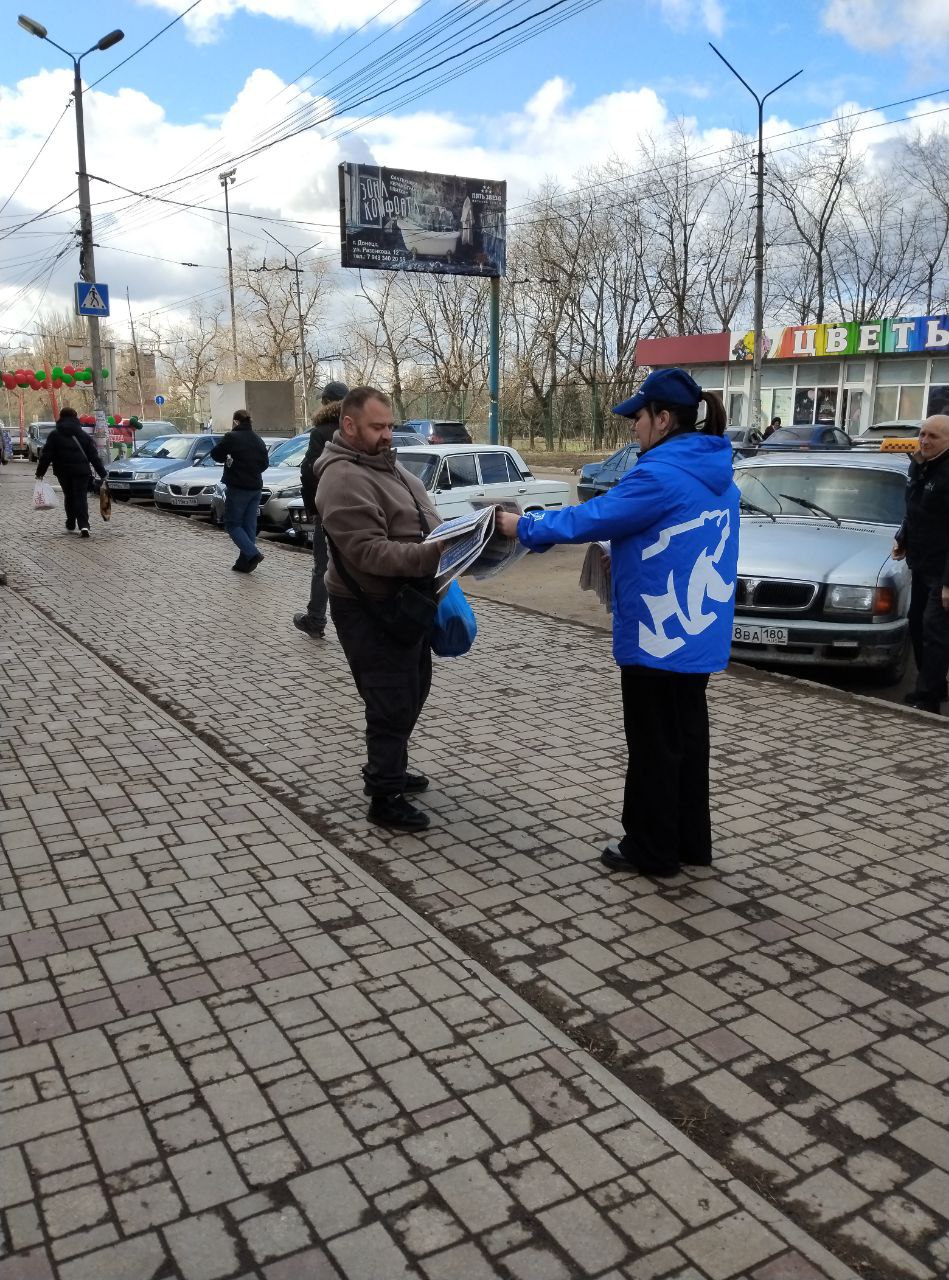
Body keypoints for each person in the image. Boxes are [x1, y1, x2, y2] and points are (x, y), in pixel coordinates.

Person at [494, 368, 739, 879]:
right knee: (687, 741)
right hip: (697, 632)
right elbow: (676, 534)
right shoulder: (715, 471)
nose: (634, 428)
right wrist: (622, 554)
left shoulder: (658, 473)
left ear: (664, 419)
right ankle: (690, 841)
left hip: (657, 633)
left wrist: (523, 526)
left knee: (653, 744)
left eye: (639, 418)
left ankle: (651, 850)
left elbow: (593, 516)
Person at [315, 386, 442, 833]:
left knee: (413, 688)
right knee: (389, 698)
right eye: (378, 427)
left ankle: (392, 765)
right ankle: (384, 795)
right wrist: (435, 554)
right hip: (370, 606)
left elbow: (423, 520)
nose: (388, 435)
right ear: (349, 426)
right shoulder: (342, 477)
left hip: (407, 601)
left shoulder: (387, 467)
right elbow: (369, 553)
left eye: (390, 425)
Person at [893, 415, 949, 713]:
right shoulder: (919, 464)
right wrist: (902, 538)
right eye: (922, 434)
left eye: (933, 437)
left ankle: (928, 700)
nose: (925, 441)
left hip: (943, 570)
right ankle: (934, 685)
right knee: (916, 624)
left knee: (933, 629)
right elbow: (913, 510)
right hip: (921, 562)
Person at [293, 380, 348, 637]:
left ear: (326, 403)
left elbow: (309, 472)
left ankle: (316, 619)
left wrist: (314, 507)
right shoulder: (356, 428)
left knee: (322, 566)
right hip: (358, 506)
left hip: (328, 510)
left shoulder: (321, 432)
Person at [210, 409, 269, 573]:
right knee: (249, 526)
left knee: (233, 524)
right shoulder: (258, 439)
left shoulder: (232, 437)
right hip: (256, 488)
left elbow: (216, 454)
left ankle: (253, 553)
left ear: (236, 421)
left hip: (238, 488)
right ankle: (244, 563)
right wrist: (252, 470)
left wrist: (230, 460)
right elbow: (265, 464)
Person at [35, 407, 106, 537]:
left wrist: (40, 473)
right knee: (80, 497)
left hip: (63, 472)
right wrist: (102, 474)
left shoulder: (54, 435)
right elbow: (93, 456)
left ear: (60, 418)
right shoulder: (83, 435)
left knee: (69, 496)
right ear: (75, 418)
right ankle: (84, 525)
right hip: (82, 472)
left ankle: (71, 522)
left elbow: (46, 456)